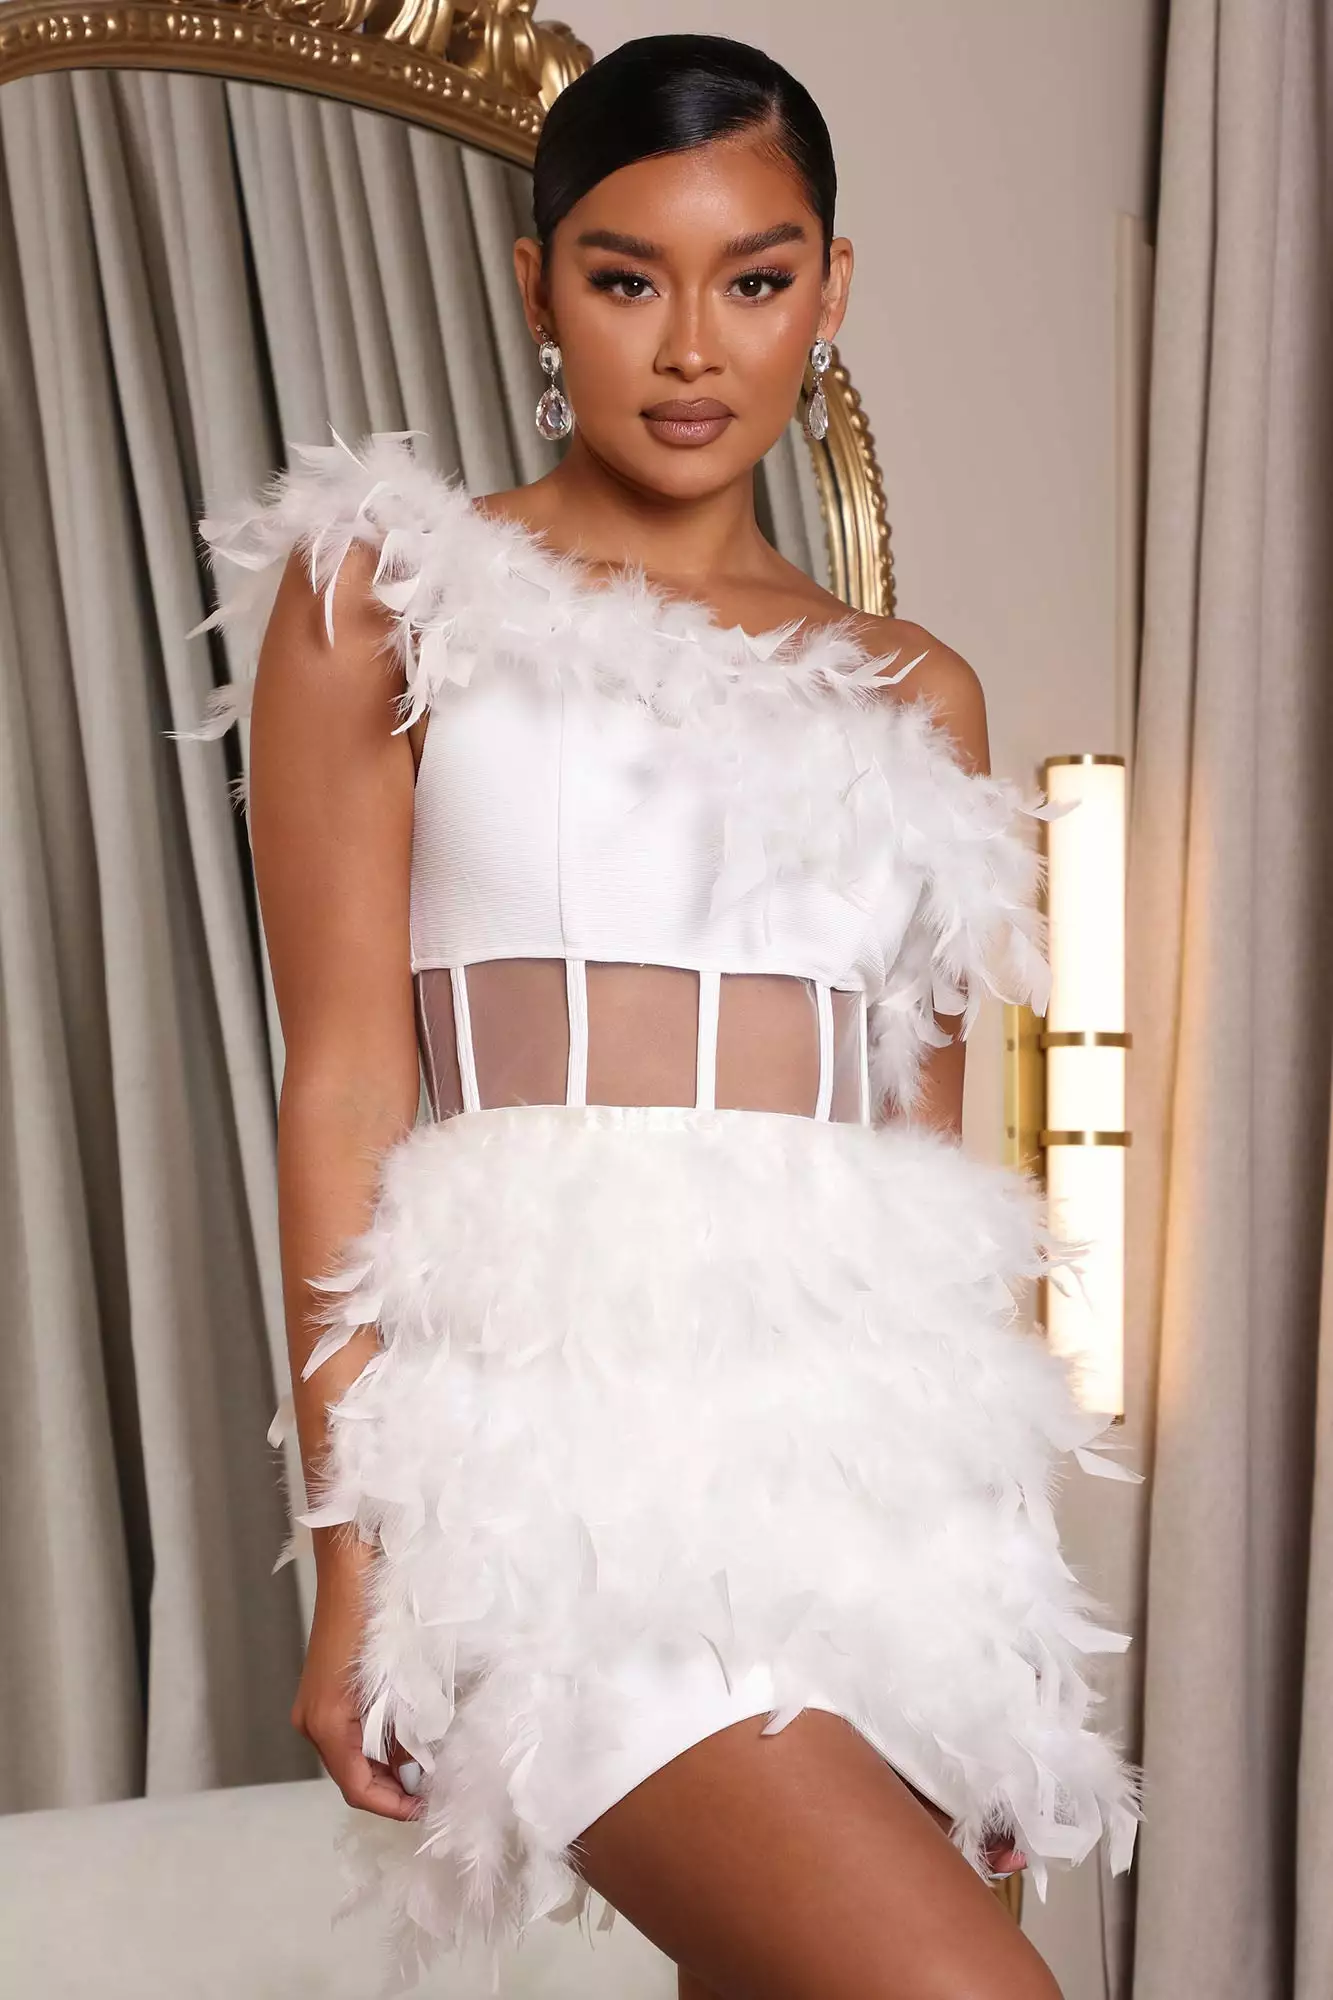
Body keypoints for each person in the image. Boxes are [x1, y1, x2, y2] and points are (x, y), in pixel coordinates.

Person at [181, 32, 1142, 2000]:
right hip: (558, 1473)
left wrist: (990, 1632)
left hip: (853, 1496)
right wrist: (355, 1555)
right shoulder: (391, 597)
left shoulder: (916, 690)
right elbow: (345, 1081)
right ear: (537, 287)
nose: (693, 347)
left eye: (755, 278)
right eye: (629, 278)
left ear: (830, 290)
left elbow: (925, 1192)